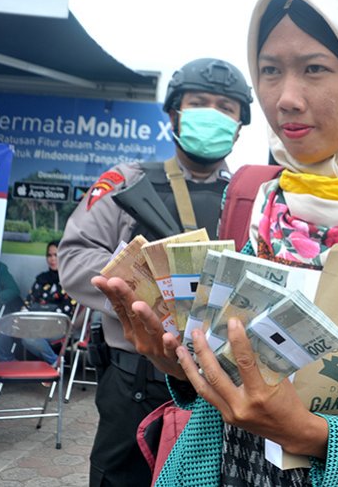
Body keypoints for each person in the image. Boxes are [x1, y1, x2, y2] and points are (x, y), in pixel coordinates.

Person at [93, 0, 338, 486]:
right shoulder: (267, 206)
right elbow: (234, 373)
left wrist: (313, 433)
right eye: (270, 70)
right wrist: (185, 365)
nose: (286, 98)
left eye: (314, 69)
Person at [58, 58, 253, 487]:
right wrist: (158, 290)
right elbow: (73, 262)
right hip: (136, 379)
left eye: (226, 107)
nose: (212, 114)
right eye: (199, 103)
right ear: (173, 114)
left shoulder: (254, 199)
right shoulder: (125, 182)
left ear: (241, 125)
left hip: (223, 384)